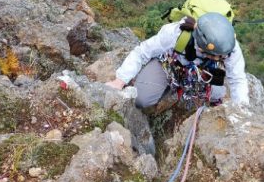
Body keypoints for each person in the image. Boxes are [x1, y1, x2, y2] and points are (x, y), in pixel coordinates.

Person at [105, 12, 249, 109]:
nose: (222, 59)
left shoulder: (228, 46)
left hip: (200, 72)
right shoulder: (175, 34)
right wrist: (120, 81)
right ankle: (169, 87)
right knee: (141, 99)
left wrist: (241, 110)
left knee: (217, 95)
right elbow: (142, 52)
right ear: (201, 47)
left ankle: (190, 91)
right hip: (169, 65)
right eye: (215, 56)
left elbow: (237, 79)